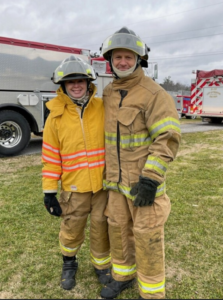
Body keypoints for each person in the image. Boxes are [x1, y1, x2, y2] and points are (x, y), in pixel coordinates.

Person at [99, 27, 181, 299]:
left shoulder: (154, 94)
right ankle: (122, 276)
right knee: (119, 232)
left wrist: (150, 179)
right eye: (118, 57)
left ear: (139, 59)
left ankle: (152, 292)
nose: (123, 61)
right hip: (115, 185)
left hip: (143, 186)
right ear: (110, 60)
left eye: (129, 57)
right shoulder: (109, 92)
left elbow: (167, 138)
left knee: (147, 238)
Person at [42, 55, 111, 291]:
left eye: (81, 80)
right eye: (71, 82)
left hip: (102, 187)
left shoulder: (103, 108)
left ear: (88, 82)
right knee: (72, 228)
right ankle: (69, 263)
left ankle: (101, 266)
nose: (76, 85)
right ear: (63, 86)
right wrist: (49, 192)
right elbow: (51, 157)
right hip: (74, 189)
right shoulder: (55, 117)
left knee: (102, 227)